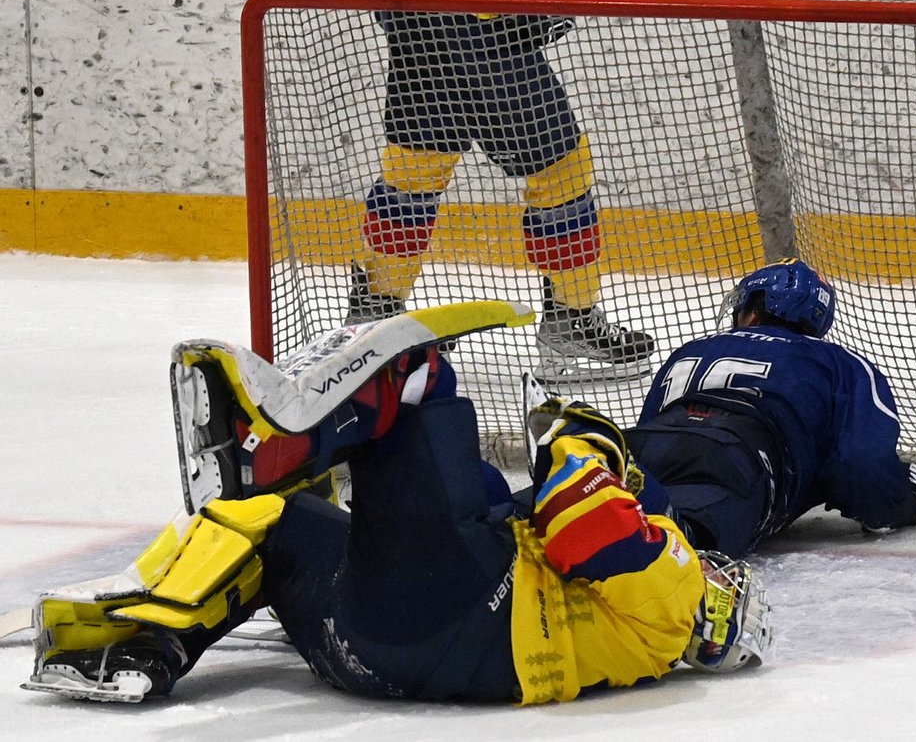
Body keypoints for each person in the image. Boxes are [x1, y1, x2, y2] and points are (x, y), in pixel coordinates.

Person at [21, 301, 771, 705]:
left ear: (715, 616)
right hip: (363, 652)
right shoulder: (631, 638)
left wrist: (589, 438)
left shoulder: (671, 604)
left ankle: (274, 445)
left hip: (454, 616)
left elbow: (579, 515)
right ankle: (146, 647)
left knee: (418, 376)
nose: (717, 573)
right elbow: (533, 522)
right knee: (278, 525)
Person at [347, 10, 655, 379]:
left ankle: (374, 321)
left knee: (417, 164)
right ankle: (572, 320)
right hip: (486, 28)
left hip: (417, 15)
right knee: (562, 173)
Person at [620, 258, 916, 559]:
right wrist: (908, 496)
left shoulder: (690, 349)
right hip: (735, 463)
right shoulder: (839, 363)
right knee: (675, 553)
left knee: (603, 526)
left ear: (751, 312)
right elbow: (862, 470)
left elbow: (649, 425)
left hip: (641, 447)